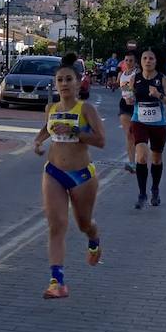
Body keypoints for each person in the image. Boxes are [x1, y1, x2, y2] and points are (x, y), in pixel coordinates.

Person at [32, 53, 106, 300]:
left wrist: (76, 130)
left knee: (83, 224)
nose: (64, 84)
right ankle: (57, 282)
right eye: (60, 80)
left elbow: (101, 140)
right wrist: (38, 140)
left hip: (82, 175)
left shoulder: (86, 109)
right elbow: (48, 127)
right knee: (56, 226)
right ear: (55, 84)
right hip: (53, 171)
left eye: (68, 79)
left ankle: (94, 238)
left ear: (78, 82)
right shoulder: (50, 108)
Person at [130, 47, 166, 209]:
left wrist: (159, 95)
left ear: (156, 61)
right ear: (141, 62)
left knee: (156, 158)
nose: (148, 61)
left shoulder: (162, 79)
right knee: (142, 156)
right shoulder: (135, 79)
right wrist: (129, 100)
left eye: (151, 58)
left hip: (158, 124)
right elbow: (129, 97)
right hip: (139, 122)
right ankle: (142, 194)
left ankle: (155, 189)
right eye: (145, 58)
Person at [117, 52, 138, 173]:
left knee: (137, 135)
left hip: (137, 105)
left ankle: (140, 159)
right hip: (125, 104)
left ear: (135, 62)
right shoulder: (122, 74)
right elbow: (123, 89)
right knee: (129, 134)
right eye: (126, 60)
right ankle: (132, 163)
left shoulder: (138, 74)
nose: (128, 63)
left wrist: (134, 92)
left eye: (131, 60)